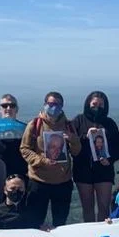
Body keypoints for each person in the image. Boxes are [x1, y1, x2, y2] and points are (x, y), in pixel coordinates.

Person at [20, 92, 81, 228]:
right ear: (45, 104)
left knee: (60, 224)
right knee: (35, 222)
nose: (54, 107)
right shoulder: (34, 124)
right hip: (38, 181)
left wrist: (73, 140)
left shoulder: (69, 125)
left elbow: (76, 152)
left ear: (62, 106)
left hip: (63, 182)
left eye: (57, 104)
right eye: (51, 104)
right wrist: (41, 161)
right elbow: (24, 149)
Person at [72, 91, 119, 223]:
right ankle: (90, 233)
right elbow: (71, 143)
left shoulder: (109, 123)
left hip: (104, 170)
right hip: (83, 170)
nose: (97, 107)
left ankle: (103, 233)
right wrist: (86, 137)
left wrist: (110, 160)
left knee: (104, 208)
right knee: (87, 208)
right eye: (94, 104)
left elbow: (118, 147)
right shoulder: (78, 120)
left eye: (101, 105)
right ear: (88, 104)